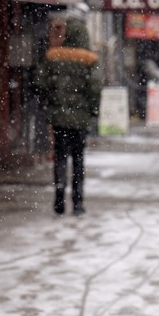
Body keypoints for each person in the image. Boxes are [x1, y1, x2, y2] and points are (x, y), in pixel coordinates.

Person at [35, 15, 101, 216]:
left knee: (60, 157)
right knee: (79, 159)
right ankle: (78, 202)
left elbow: (40, 83)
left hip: (59, 117)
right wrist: (93, 110)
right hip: (80, 119)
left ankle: (59, 196)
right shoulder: (90, 59)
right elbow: (95, 88)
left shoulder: (53, 56)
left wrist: (51, 101)